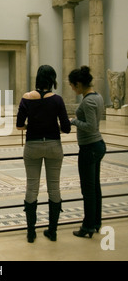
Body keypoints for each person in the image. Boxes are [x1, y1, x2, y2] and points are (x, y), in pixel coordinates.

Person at [16, 65, 71, 243]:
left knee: (32, 187)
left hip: (32, 145)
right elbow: (66, 128)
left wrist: (30, 127)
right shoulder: (57, 100)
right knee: (54, 188)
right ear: (52, 80)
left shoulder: (26, 98)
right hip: (54, 145)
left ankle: (31, 232)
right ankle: (52, 231)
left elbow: (19, 125)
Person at [68, 66, 106, 238]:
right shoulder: (97, 96)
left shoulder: (88, 101)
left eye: (72, 85)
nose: (72, 89)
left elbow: (91, 127)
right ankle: (96, 222)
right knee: (95, 187)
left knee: (88, 189)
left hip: (89, 146)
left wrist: (74, 121)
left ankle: (88, 225)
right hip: (96, 145)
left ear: (78, 84)